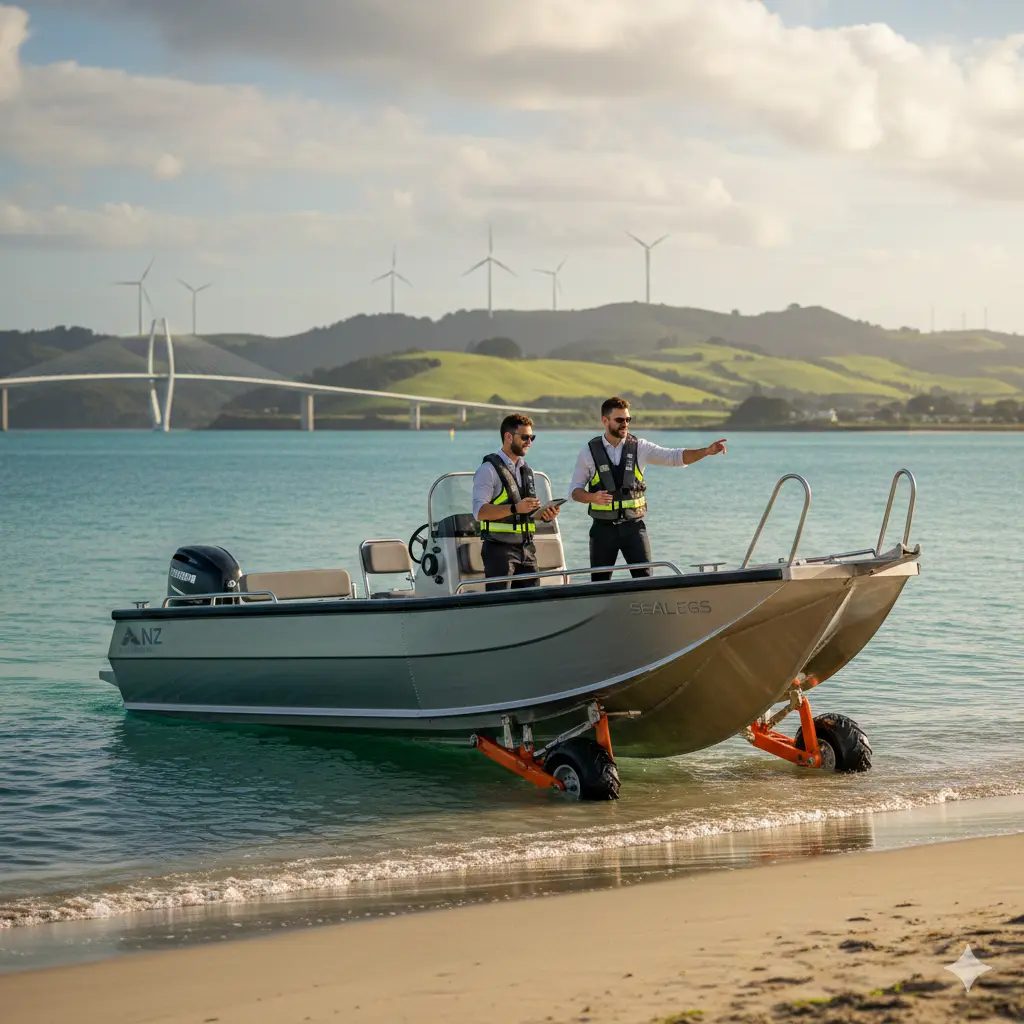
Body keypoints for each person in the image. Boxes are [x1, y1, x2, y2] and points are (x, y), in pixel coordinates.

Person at [569, 397, 726, 580]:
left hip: (634, 528)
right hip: (602, 530)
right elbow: (575, 491)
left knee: (645, 580)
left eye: (628, 420)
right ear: (605, 421)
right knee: (599, 583)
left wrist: (705, 451)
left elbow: (675, 457)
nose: (625, 424)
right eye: (619, 420)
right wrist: (592, 497)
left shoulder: (640, 448)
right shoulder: (588, 452)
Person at [473, 413, 561, 591]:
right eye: (525, 437)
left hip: (527, 549)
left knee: (533, 601)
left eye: (532, 437)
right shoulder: (487, 470)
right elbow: (479, 512)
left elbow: (524, 514)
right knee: (500, 605)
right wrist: (515, 508)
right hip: (499, 550)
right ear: (508, 437)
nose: (529, 442)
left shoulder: (526, 470)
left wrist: (544, 515)